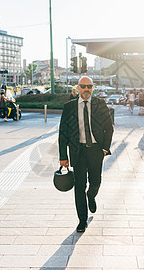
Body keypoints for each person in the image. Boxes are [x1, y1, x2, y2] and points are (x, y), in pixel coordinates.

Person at [58, 76, 114, 233]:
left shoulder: (100, 104)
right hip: (78, 152)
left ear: (93, 88)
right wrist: (63, 156)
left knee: (95, 181)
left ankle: (91, 195)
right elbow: (63, 133)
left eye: (89, 86)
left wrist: (105, 148)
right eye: (83, 86)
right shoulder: (69, 107)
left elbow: (109, 128)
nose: (86, 89)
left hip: (96, 150)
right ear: (78, 87)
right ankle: (82, 220)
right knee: (79, 185)